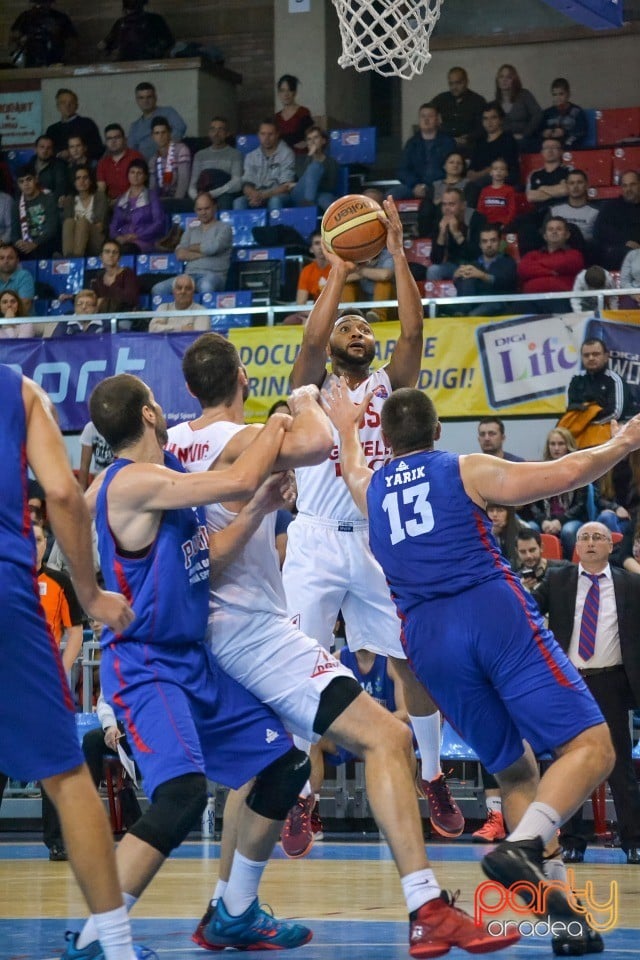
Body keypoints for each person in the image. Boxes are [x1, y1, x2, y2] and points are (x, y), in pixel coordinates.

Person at [166, 335, 511, 957]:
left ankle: (230, 909)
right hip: (250, 629)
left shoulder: (173, 444)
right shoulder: (241, 438)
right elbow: (317, 443)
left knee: (267, 765)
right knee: (387, 737)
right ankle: (426, 906)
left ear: (189, 391)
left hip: (205, 629)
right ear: (243, 377)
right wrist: (309, 405)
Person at [322, 382, 640, 954]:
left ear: (387, 441)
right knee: (594, 747)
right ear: (438, 430)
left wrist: (347, 425)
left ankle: (564, 921)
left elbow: (349, 466)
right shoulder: (463, 468)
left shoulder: (369, 488)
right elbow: (566, 473)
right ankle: (522, 845)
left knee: (516, 772)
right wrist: (622, 442)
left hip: (426, 640)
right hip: (488, 612)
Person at [67, 373, 314, 957]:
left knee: (285, 764)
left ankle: (235, 913)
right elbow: (238, 475)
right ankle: (95, 940)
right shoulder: (131, 482)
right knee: (181, 798)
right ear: (150, 413)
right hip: (149, 667)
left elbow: (209, 553)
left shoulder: (169, 474)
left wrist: (256, 511)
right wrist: (282, 417)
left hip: (191, 662)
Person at [283, 199, 465, 842]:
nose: (358, 331)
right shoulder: (309, 388)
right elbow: (309, 339)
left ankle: (434, 774)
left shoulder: (391, 385)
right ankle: (305, 794)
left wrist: (395, 250)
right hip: (311, 540)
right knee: (303, 667)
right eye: (348, 326)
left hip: (376, 540)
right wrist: (336, 268)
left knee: (410, 662)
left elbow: (413, 333)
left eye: (365, 326)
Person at [0, 362, 143, 960]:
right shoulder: (19, 389)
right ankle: (114, 943)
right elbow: (63, 494)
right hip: (6, 594)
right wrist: (87, 593)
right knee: (64, 774)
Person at [534, 522, 640, 864]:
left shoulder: (631, 585)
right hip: (569, 683)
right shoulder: (559, 579)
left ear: (611, 546)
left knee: (619, 764)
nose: (591, 542)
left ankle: (634, 840)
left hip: (611, 682)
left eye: (598, 537)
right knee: (568, 763)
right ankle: (573, 841)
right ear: (576, 546)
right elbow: (528, 611)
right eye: (584, 537)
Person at [563, 337, 635, 449]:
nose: (591, 358)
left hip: (608, 435)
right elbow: (570, 410)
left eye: (596, 354)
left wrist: (588, 418)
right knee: (558, 435)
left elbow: (616, 413)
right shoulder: (575, 380)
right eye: (586, 355)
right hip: (578, 435)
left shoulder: (614, 380)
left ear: (606, 357)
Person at [155, 193, 232, 297]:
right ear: (195, 211)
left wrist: (190, 248)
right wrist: (205, 253)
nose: (203, 212)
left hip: (214, 275)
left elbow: (213, 248)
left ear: (214, 207)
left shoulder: (225, 228)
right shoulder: (190, 230)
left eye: (206, 208)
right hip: (189, 276)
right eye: (199, 209)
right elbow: (180, 255)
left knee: (206, 286)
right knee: (158, 289)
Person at [391, 104, 456, 201]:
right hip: (414, 186)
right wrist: (415, 185)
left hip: (441, 186)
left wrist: (432, 185)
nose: (426, 119)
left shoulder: (448, 142)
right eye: (423, 116)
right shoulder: (411, 143)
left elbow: (452, 169)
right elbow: (402, 170)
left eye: (430, 116)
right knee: (390, 196)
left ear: (437, 119)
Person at [517, 216, 584, 304]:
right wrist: (551, 272)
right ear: (545, 236)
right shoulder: (532, 255)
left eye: (559, 229)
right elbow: (522, 269)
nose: (554, 232)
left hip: (562, 300)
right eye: (550, 229)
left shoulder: (574, 254)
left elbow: (562, 264)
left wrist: (538, 266)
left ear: (567, 235)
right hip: (530, 301)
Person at [452, 225, 518, 315]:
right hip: (475, 303)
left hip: (499, 302)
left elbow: (506, 282)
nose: (489, 245)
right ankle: (461, 312)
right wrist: (456, 278)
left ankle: (463, 314)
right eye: (484, 241)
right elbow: (462, 288)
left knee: (473, 315)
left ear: (499, 242)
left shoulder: (508, 261)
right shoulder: (472, 264)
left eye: (493, 240)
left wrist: (482, 275)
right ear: (480, 245)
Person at [426, 187, 487, 282]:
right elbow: (436, 259)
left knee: (467, 274)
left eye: (451, 204)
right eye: (444, 204)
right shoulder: (441, 220)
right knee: (433, 270)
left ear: (463, 205)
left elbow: (475, 254)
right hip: (453, 265)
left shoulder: (477, 219)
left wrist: (456, 233)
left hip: (475, 265)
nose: (447, 208)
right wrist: (442, 233)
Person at [234, 120, 296, 211]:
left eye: (270, 134)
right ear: (258, 135)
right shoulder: (251, 156)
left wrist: (263, 195)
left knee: (275, 201)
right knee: (239, 202)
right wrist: (254, 195)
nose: (266, 138)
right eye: (263, 134)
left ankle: (276, 226)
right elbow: (246, 184)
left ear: (277, 134)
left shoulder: (287, 154)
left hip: (278, 195)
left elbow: (287, 186)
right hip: (257, 195)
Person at [109, 159, 165, 254]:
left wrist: (137, 235)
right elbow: (114, 225)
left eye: (139, 173)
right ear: (128, 175)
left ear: (145, 176)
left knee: (127, 250)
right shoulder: (121, 199)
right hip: (124, 240)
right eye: (132, 172)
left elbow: (158, 223)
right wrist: (118, 237)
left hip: (145, 240)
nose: (135, 176)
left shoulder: (152, 196)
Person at [466, 102, 520, 197]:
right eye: (485, 118)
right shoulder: (479, 142)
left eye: (493, 117)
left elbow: (500, 167)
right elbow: (472, 168)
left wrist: (478, 175)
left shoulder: (508, 139)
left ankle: (471, 212)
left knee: (473, 187)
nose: (489, 122)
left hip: (503, 178)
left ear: (501, 120)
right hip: (479, 180)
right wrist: (472, 175)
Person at [187, 117, 243, 209]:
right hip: (202, 193)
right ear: (209, 133)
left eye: (220, 130)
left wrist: (211, 194)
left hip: (223, 194)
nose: (216, 133)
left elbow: (237, 183)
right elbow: (193, 185)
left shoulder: (235, 154)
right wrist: (198, 198)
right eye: (213, 129)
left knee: (225, 200)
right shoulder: (200, 155)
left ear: (227, 134)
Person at [99, 0, 174, 64]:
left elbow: (103, 46)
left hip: (124, 65)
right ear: (144, 3)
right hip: (150, 64)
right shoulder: (156, 19)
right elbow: (169, 41)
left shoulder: (120, 23)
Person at [127, 82, 187, 162]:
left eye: (149, 97)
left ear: (155, 98)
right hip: (145, 167)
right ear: (137, 100)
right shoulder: (135, 126)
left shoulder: (168, 112)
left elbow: (180, 128)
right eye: (141, 98)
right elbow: (131, 151)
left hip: (169, 161)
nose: (145, 101)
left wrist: (164, 148)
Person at [431, 67, 486, 153]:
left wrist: (468, 137)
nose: (454, 87)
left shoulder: (478, 101)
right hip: (445, 143)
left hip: (469, 144)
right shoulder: (441, 99)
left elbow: (483, 127)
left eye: (458, 83)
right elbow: (427, 112)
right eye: (451, 84)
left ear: (466, 82)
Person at [593, 170, 640, 270]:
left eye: (633, 185)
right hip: (617, 250)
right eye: (625, 185)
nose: (628, 189)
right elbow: (599, 230)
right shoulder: (610, 206)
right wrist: (624, 241)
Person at [415, 151, 469, 238]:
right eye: (451, 162)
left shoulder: (468, 184)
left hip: (459, 218)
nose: (455, 165)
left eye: (459, 163)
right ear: (444, 165)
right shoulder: (435, 185)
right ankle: (425, 237)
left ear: (463, 167)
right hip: (437, 220)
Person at [11, 165, 60, 260]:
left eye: (28, 179)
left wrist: (35, 243)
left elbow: (52, 228)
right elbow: (14, 234)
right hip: (25, 246)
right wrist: (18, 242)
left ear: (36, 179)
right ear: (18, 185)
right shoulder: (16, 205)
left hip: (46, 242)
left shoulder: (49, 198)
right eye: (21, 181)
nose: (26, 184)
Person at [9, 0, 77, 67]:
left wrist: (64, 57)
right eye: (38, 2)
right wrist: (22, 39)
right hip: (31, 60)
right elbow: (13, 36)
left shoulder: (60, 17)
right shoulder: (25, 16)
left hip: (54, 60)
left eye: (43, 2)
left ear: (50, 3)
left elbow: (72, 40)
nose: (40, 6)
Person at [61, 166, 109, 258]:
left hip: (95, 240)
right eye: (78, 178)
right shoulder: (69, 200)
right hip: (74, 242)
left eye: (85, 178)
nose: (82, 181)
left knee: (82, 222)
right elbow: (68, 230)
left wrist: (83, 226)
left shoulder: (100, 197)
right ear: (74, 182)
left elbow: (100, 227)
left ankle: (76, 259)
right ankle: (68, 257)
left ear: (91, 181)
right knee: (68, 222)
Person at [289, 125, 338, 212]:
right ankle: (308, 204)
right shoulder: (301, 159)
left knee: (327, 200)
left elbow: (331, 186)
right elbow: (302, 178)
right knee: (314, 167)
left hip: (319, 194)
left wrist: (314, 185)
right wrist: (310, 156)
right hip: (300, 195)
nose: (312, 142)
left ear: (323, 141)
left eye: (316, 138)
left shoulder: (331, 162)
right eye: (309, 139)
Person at [45, 89, 103, 162]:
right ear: (57, 107)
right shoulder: (52, 130)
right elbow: (47, 151)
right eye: (63, 102)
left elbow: (98, 149)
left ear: (76, 106)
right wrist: (59, 154)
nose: (67, 105)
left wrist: (76, 153)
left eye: (71, 102)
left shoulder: (87, 124)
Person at [494, 63, 542, 152]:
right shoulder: (495, 102)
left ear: (514, 80)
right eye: (501, 77)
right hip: (504, 140)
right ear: (497, 80)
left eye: (508, 77)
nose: (504, 80)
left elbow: (537, 115)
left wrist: (525, 134)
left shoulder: (524, 95)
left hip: (525, 139)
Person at [549, 168, 598, 253]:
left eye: (579, 182)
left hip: (584, 252)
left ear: (586, 185)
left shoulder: (596, 212)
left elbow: (598, 239)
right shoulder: (555, 210)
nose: (575, 187)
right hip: (557, 251)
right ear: (567, 186)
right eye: (572, 183)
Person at [89, 239, 140, 314]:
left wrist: (104, 300)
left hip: (123, 315)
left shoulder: (128, 274)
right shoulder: (98, 278)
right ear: (101, 256)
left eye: (115, 252)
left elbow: (131, 299)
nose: (111, 255)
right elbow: (91, 298)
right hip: (102, 315)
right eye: (107, 251)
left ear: (119, 257)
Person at [97, 125, 144, 203]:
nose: (113, 141)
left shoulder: (136, 157)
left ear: (125, 140)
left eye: (117, 137)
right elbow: (101, 189)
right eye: (109, 138)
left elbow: (140, 185)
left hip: (134, 202)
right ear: (106, 142)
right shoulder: (102, 163)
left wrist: (121, 201)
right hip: (111, 204)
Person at [148, 117, 191, 202]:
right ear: (152, 136)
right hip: (161, 202)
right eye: (157, 133)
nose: (160, 136)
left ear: (169, 133)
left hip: (180, 201)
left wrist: (175, 203)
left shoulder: (181, 150)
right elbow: (152, 188)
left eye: (163, 132)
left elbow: (183, 181)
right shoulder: (153, 160)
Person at [539, 78, 588, 150]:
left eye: (561, 94)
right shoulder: (547, 113)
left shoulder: (577, 111)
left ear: (568, 94)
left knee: (568, 145)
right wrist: (544, 133)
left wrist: (564, 132)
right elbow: (539, 131)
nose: (558, 98)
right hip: (551, 145)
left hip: (570, 144)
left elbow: (581, 132)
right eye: (555, 95)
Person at [275, 74, 313, 155]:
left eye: (289, 90)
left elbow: (303, 137)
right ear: (279, 93)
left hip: (301, 158)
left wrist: (282, 139)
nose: (286, 94)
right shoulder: (276, 117)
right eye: (282, 90)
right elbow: (274, 140)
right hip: (282, 159)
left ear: (294, 92)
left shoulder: (303, 112)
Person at [486, 503, 530, 569]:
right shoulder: (480, 530)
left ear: (508, 512)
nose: (494, 514)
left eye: (500, 510)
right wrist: (493, 534)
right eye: (491, 510)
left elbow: (526, 558)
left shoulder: (523, 528)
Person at [476, 158, 517, 228]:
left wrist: (506, 223)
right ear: (491, 172)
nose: (499, 171)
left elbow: (512, 210)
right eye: (495, 169)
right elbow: (480, 209)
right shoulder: (485, 190)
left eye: (502, 169)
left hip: (503, 225)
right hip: (486, 225)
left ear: (506, 173)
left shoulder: (509, 190)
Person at [77, 420, 114, 491]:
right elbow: (84, 467)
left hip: (119, 478)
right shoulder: (90, 428)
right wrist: (82, 495)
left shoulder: (122, 426)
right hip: (99, 480)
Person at [0, 242, 35, 314]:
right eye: (1, 258)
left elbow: (25, 305)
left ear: (17, 260)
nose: (6, 261)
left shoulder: (24, 276)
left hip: (22, 323)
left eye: (10, 258)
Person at [32, 135, 69, 203]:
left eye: (48, 148)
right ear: (36, 149)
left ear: (52, 151)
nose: (45, 150)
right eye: (42, 147)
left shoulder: (59, 166)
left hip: (51, 204)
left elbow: (60, 189)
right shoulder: (29, 165)